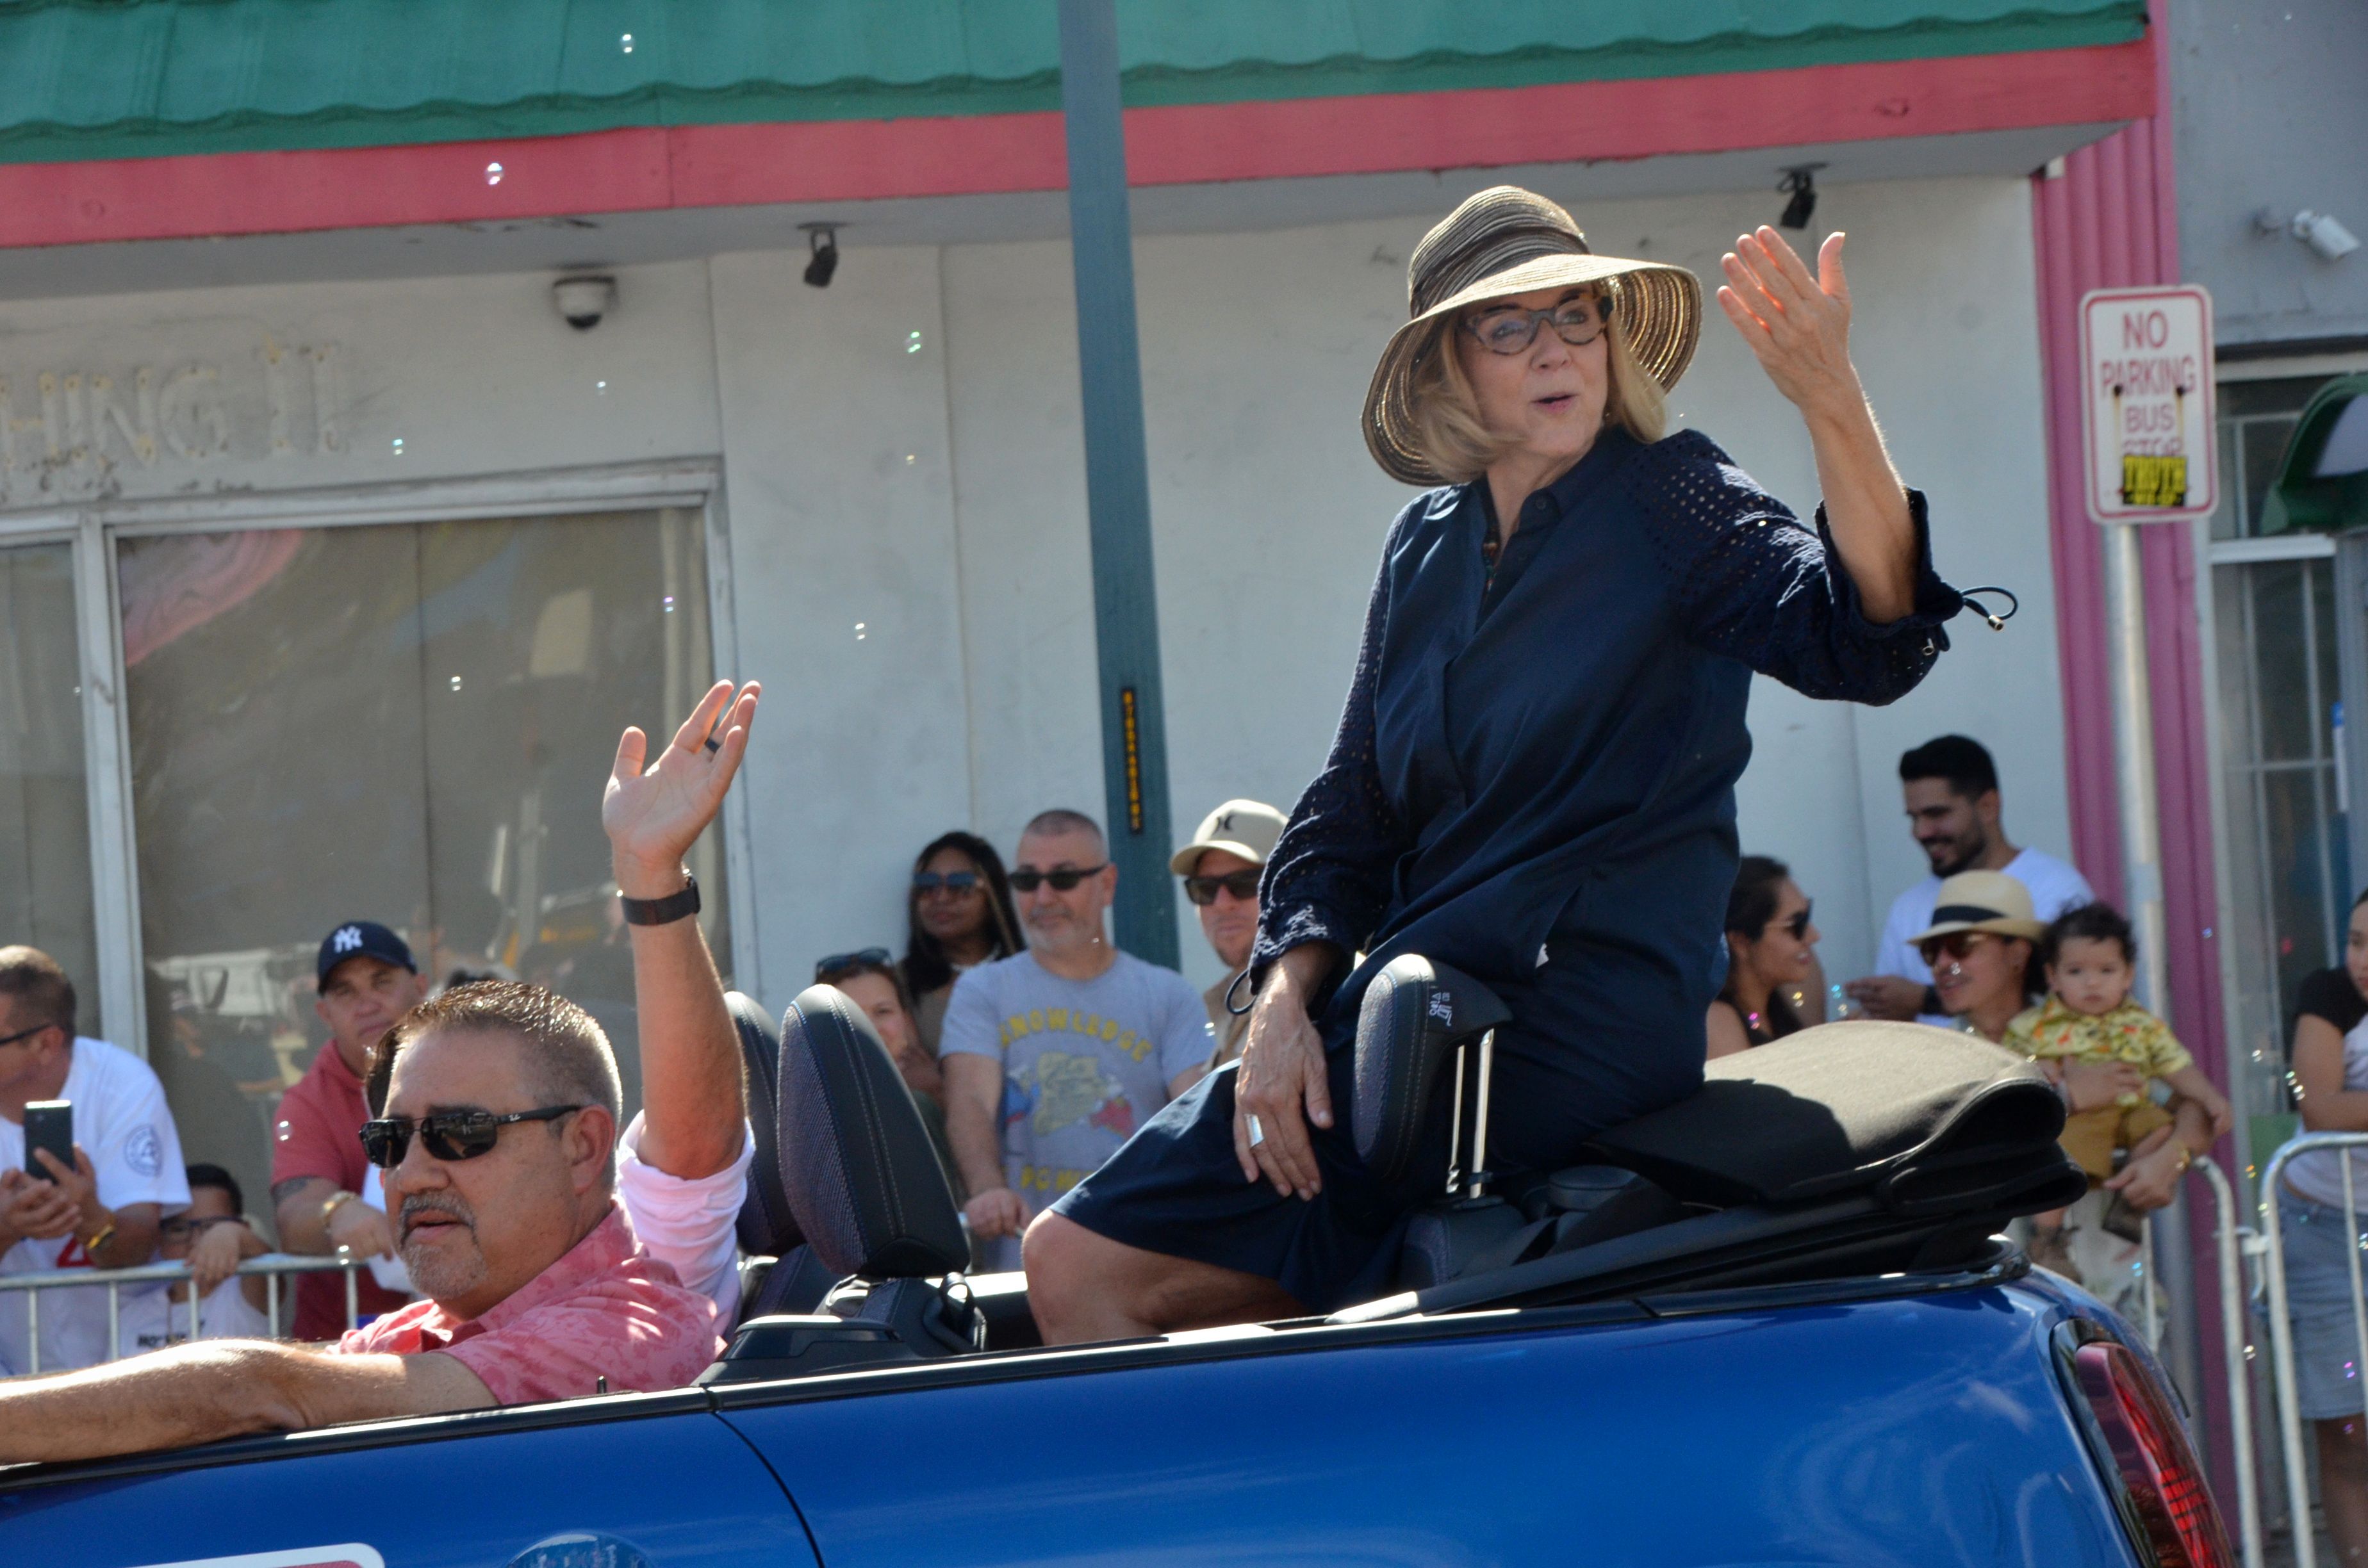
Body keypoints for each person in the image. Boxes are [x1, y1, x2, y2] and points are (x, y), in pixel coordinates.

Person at [1023, 186, 1966, 1344]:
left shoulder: (1671, 494)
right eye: (1508, 326)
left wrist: (1831, 400)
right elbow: (1351, 808)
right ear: (1448, 369)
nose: (1554, 349)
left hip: (1574, 1023)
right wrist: (1279, 1005)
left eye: (1576, 316)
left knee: (1090, 1263)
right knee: (1085, 1267)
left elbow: (1867, 639)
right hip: (1411, 1014)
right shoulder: (1421, 545)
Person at [0, 979, 724, 1464]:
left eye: (460, 1133)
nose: (406, 1175)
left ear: (584, 1147)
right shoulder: (421, 1329)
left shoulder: (635, 1328)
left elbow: (253, 1391)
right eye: (389, 1140)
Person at [941, 810, 1213, 1271]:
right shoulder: (982, 991)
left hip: (1140, 1264)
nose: (1043, 897)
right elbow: (969, 1103)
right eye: (1027, 880)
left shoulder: (1169, 995)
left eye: (1063, 879)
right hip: (1025, 1267)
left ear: (1107, 884)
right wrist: (987, 1189)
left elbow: (1195, 1120)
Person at [2004, 901, 2232, 1282]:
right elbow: (2012, 1067)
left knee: (2160, 1128)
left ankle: (2129, 1201)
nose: (2092, 983)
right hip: (2081, 1117)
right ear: (2053, 977)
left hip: (2131, 1111)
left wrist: (2211, 1097)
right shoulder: (2034, 1027)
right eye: (2076, 972)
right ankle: (2048, 1238)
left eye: (2106, 971)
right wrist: (2041, 1068)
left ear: (2128, 975)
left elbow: (2175, 1066)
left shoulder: (2143, 1025)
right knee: (2057, 1158)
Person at [0, 946, 190, 1373]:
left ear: (46, 1043)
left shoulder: (122, 1083)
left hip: (127, 1368)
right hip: (11, 1375)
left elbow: (139, 1242)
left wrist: (90, 1219)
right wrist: (5, 1229)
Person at [1849, 735, 2094, 1024]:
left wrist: (1926, 1000)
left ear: (1988, 806)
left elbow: (2078, 1001)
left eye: (1936, 814)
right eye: (1931, 951)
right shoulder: (1907, 907)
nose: (1921, 832)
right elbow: (1891, 1022)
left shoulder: (2057, 889)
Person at [270, 920, 429, 1341]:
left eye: (381, 982)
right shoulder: (307, 1101)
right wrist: (337, 1210)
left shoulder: (466, 1066)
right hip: (346, 1347)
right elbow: (293, 1218)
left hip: (465, 1332)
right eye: (345, 992)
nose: (366, 1005)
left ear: (420, 987)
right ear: (325, 1014)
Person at [817, 949, 964, 1198]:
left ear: (907, 1022)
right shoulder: (805, 1112)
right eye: (848, 1014)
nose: (869, 1027)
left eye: (883, 1011)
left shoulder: (927, 1103)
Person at [1172, 799, 1287, 1068]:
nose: (1222, 904)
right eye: (1206, 888)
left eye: (1245, 883)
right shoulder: (1225, 1003)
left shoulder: (1326, 993)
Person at [117, 1163, 272, 1355]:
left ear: (243, 1229)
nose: (196, 1242)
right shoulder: (132, 1315)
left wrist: (232, 1233)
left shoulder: (246, 1296)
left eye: (212, 1228)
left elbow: (266, 1261)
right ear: (159, 1238)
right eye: (179, 1229)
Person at [901, 831, 1026, 1056]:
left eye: (960, 885)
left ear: (993, 895)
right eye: (928, 885)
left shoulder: (1031, 976)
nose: (941, 898)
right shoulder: (898, 984)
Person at [1706, 856, 1819, 1058]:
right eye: (1796, 925)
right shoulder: (1718, 1021)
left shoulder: (1782, 1000)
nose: (1814, 936)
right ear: (1741, 942)